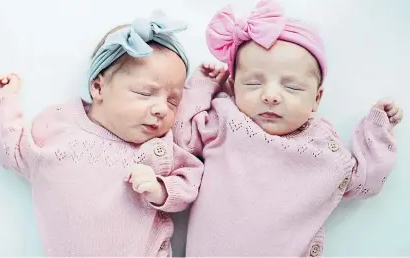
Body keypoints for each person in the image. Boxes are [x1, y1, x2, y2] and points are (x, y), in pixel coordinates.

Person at [173, 1, 404, 256]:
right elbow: (182, 137)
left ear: (316, 99)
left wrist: (377, 129)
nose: (271, 96)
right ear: (234, 85)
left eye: (292, 87)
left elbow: (365, 183)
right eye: (253, 84)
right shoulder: (225, 119)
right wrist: (203, 85)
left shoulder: (323, 146)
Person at [0, 11, 203, 257]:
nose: (162, 109)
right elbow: (11, 150)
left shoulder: (158, 148)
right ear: (98, 87)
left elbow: (192, 182)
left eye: (173, 102)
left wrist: (161, 189)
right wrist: (3, 101)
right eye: (145, 93)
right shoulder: (59, 128)